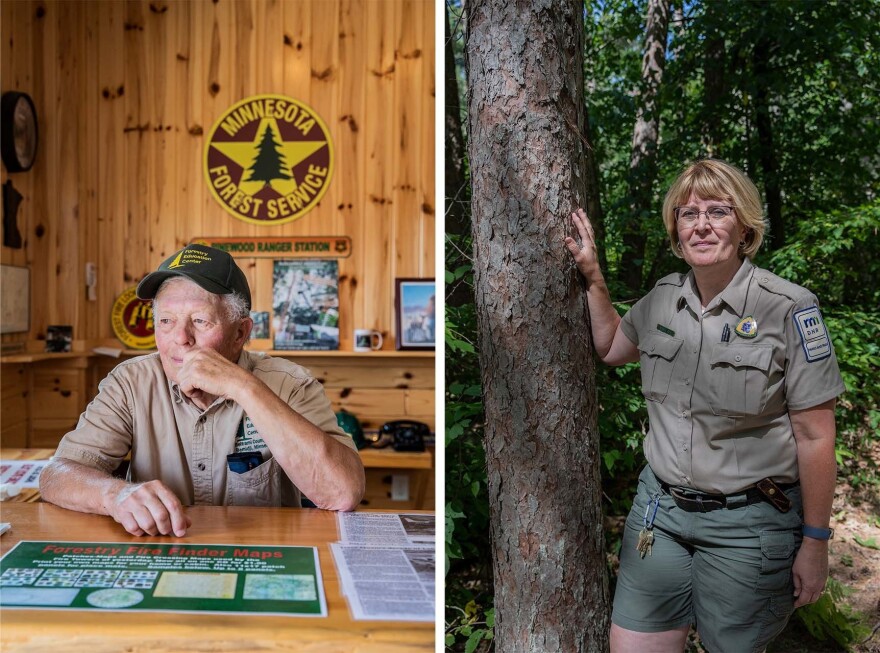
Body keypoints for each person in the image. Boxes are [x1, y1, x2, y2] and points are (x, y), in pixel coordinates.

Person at [564, 159, 845, 653]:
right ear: (676, 228)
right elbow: (611, 348)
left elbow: (816, 436)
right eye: (688, 213)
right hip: (660, 515)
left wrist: (815, 541)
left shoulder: (789, 308)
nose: (702, 224)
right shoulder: (663, 298)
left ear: (745, 226)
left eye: (718, 211)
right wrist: (592, 276)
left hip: (749, 524)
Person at [40, 244, 365, 538]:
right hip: (159, 557)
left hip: (262, 558)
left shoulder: (290, 383)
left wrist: (243, 386)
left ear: (240, 333)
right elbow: (56, 476)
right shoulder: (130, 383)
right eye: (166, 321)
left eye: (200, 321)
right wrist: (115, 495)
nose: (180, 338)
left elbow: (343, 492)